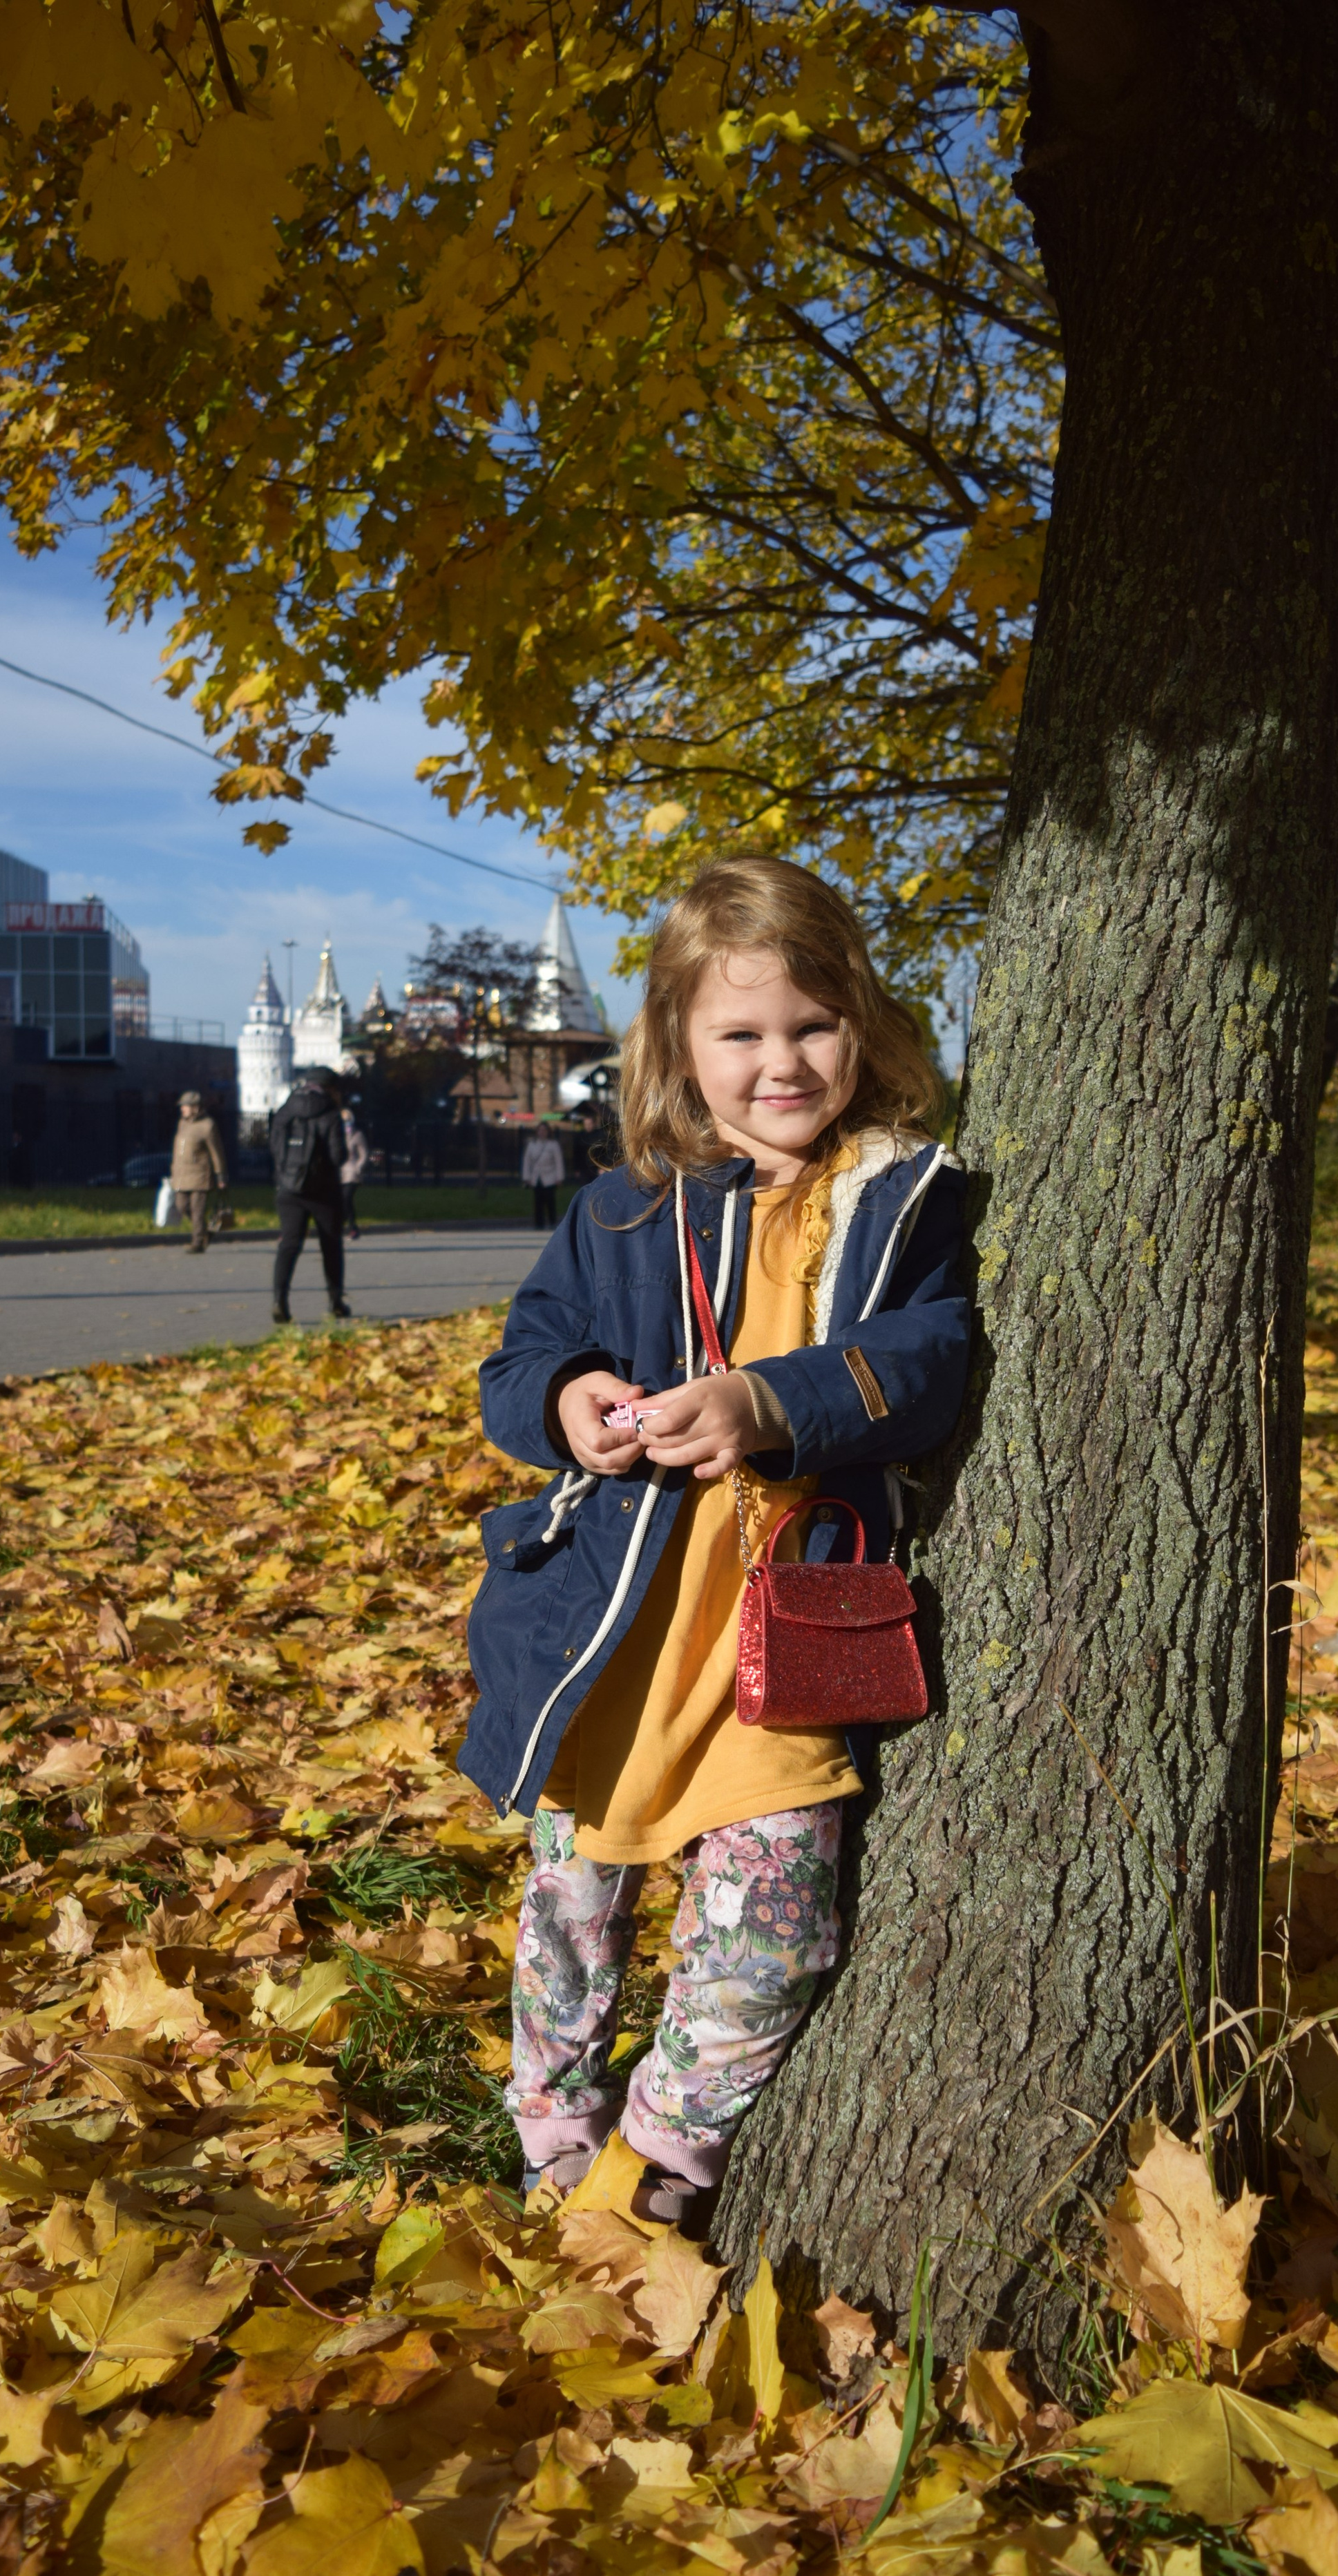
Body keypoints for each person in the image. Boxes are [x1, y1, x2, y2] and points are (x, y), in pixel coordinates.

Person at [461, 857, 970, 2228]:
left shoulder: (901, 1198)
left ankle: (660, 2152)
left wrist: (766, 1399)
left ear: (860, 1024)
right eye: (738, 1035)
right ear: (681, 1052)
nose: (779, 1062)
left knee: (776, 1922)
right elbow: (523, 1359)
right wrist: (570, 1404)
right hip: (614, 1633)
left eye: (809, 1025)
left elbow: (928, 1358)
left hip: (784, 1629)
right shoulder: (621, 1210)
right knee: (572, 1911)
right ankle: (552, 2145)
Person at [268, 1064, 352, 1324]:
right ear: (330, 1088)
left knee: (289, 1245)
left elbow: (274, 1147)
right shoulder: (331, 1113)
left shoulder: (285, 1109)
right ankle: (335, 1301)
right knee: (331, 1245)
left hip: (288, 1188)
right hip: (323, 1191)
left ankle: (279, 1300)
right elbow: (339, 1156)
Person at [169, 1090, 228, 1253]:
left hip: (200, 1175)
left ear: (195, 1107)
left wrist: (221, 1175)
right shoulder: (183, 1123)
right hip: (181, 1175)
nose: (182, 1109)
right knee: (181, 1206)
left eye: (185, 1106)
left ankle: (198, 1243)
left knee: (197, 1210)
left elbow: (217, 1152)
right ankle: (204, 1232)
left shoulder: (208, 1125)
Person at [520, 1122, 566, 1231]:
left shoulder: (553, 1145)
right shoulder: (532, 1145)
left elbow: (558, 1162)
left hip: (550, 1177)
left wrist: (559, 1178)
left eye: (544, 1130)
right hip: (536, 1177)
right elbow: (527, 1162)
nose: (542, 1133)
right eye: (540, 1130)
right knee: (538, 1202)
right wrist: (526, 1177)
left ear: (548, 1132)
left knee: (550, 1201)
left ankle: (552, 1221)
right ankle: (539, 1223)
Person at [340, 1100, 369, 1243]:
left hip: (352, 1172)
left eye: (348, 1120)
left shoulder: (357, 1135)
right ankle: (351, 1227)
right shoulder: (338, 1135)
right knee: (343, 1202)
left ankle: (352, 1228)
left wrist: (358, 1167)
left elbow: (364, 1154)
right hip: (340, 1173)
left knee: (346, 1198)